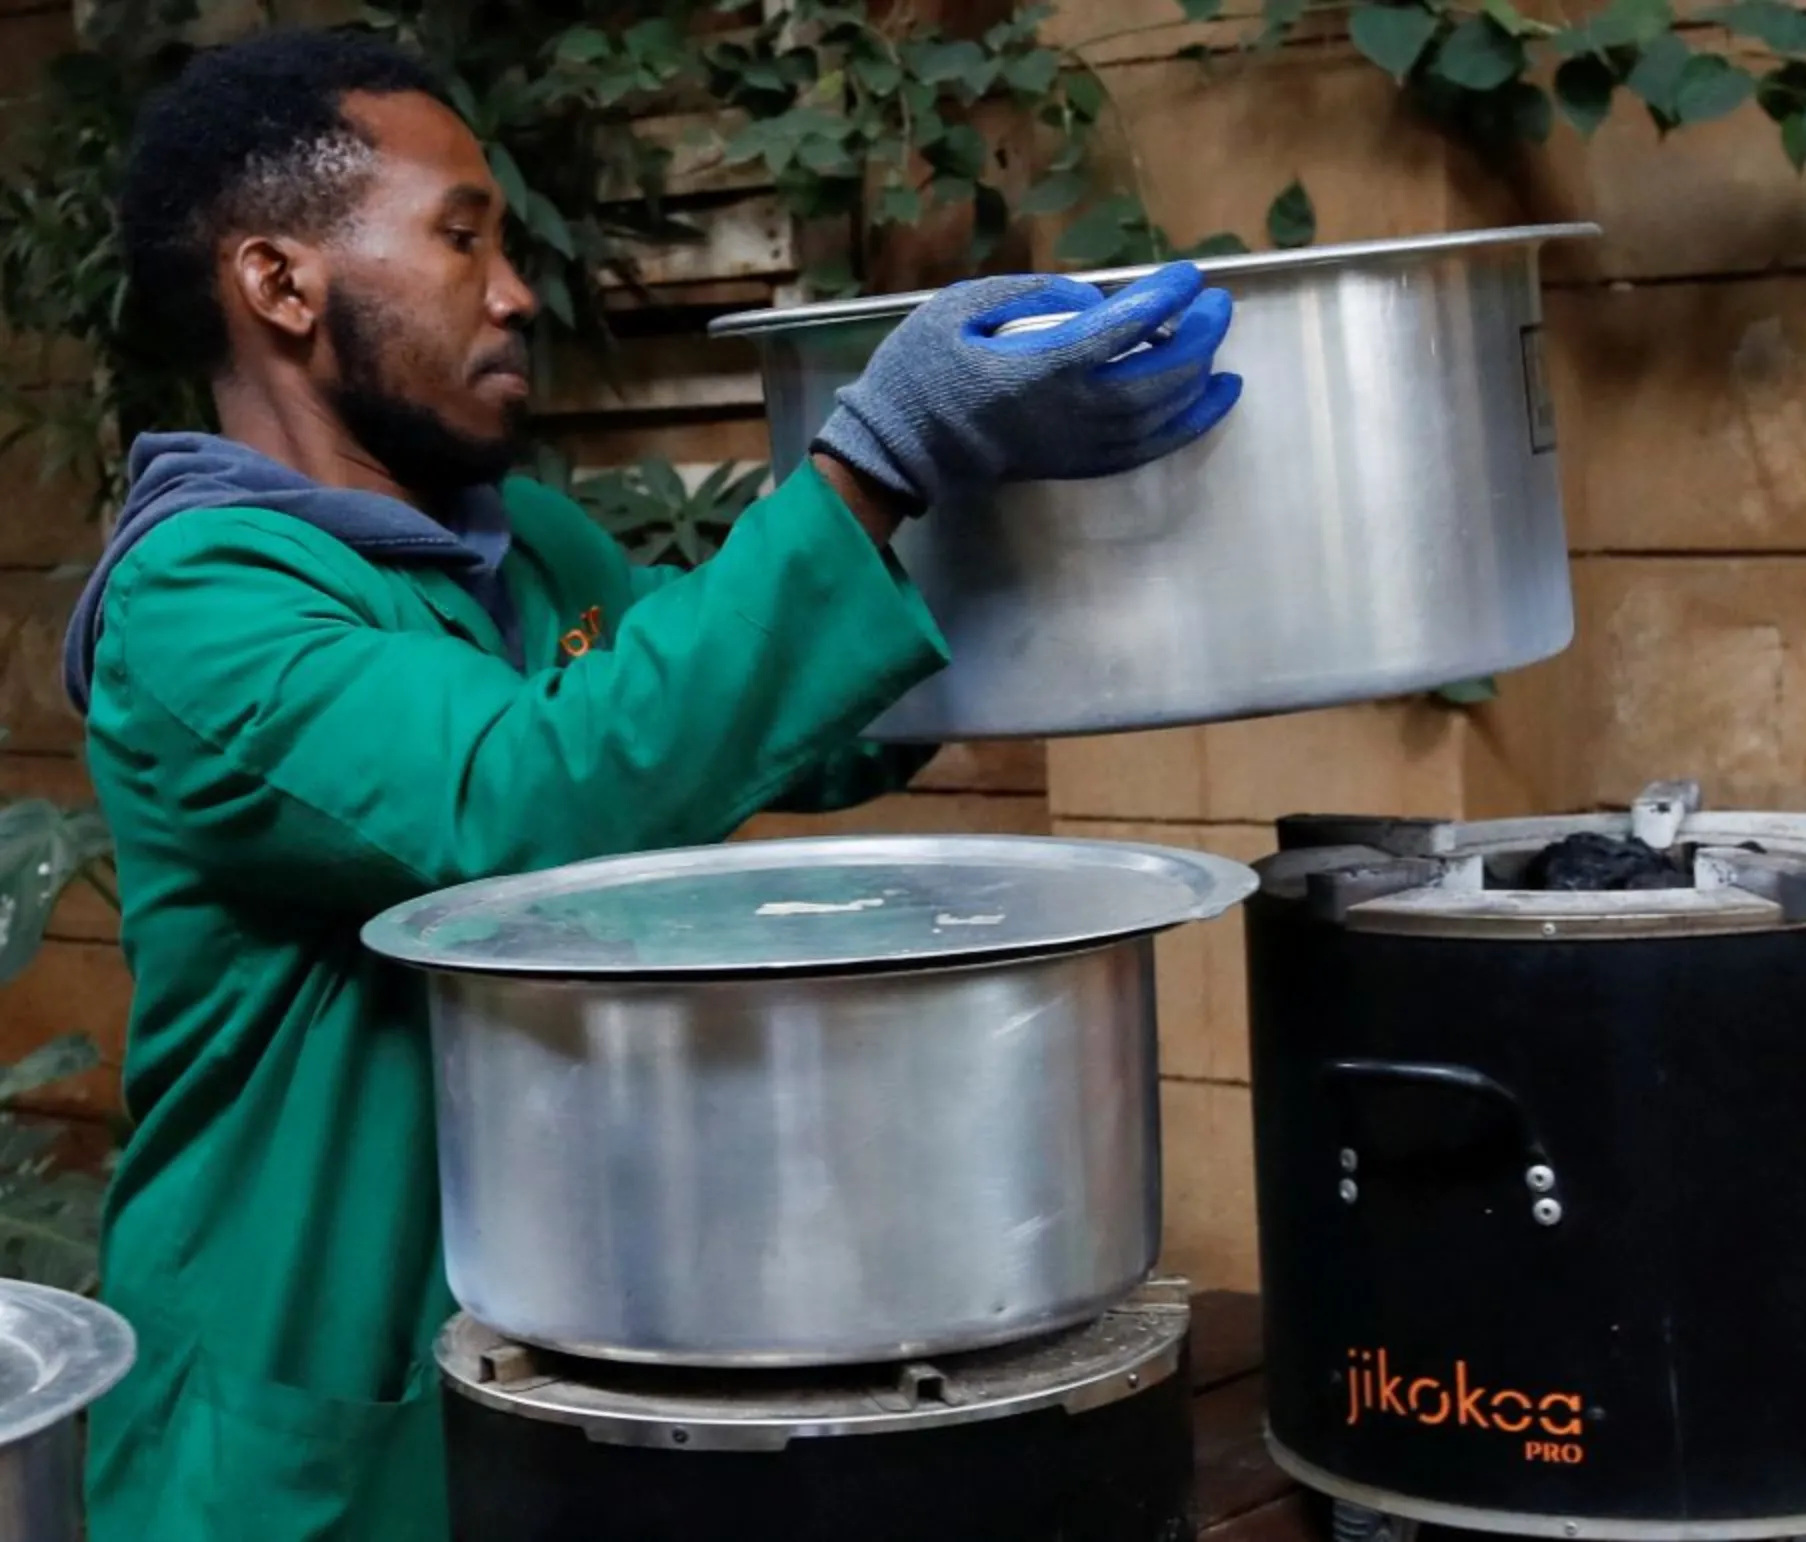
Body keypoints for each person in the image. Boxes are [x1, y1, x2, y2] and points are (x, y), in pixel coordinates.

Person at [60, 25, 1239, 1542]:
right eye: (460, 237)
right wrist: (870, 459)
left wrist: (995, 508)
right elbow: (517, 807)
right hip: (300, 1437)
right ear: (279, 284)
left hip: (552, 1376)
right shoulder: (199, 599)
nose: (512, 291)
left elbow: (769, 733)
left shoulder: (528, 546)